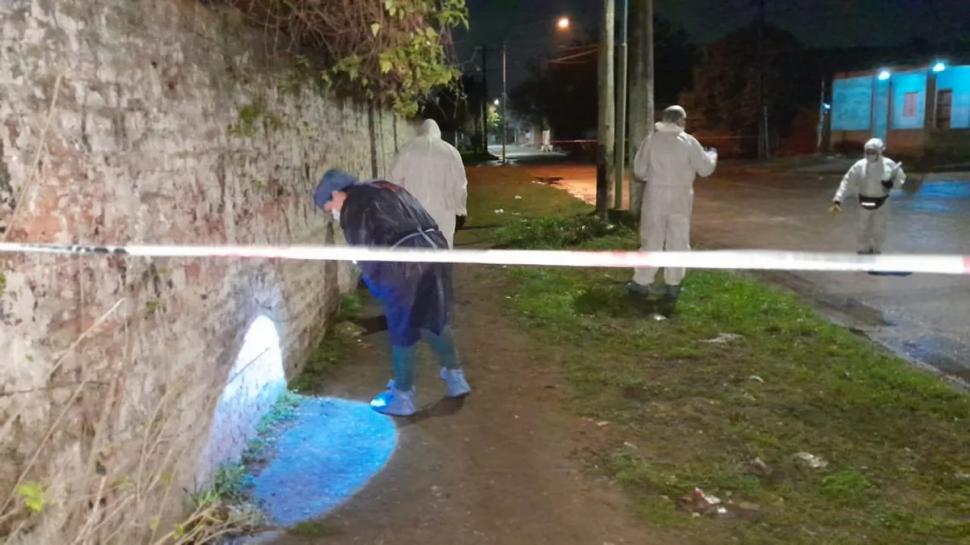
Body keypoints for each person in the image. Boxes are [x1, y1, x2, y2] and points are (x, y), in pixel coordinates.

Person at [313, 169, 471, 417]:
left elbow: (365, 252)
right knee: (434, 316)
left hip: (403, 262)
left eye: (329, 206)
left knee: (401, 325)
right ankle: (456, 378)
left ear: (335, 193)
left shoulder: (354, 206)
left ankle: (403, 396)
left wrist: (375, 281)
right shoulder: (385, 187)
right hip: (435, 249)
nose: (333, 213)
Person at [626, 105, 717, 300]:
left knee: (652, 237)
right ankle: (673, 283)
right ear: (680, 120)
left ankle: (641, 281)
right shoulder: (689, 142)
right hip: (681, 196)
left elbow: (640, 171)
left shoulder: (651, 140)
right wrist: (712, 156)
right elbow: (705, 169)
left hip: (655, 195)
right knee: (678, 239)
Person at [389, 119, 468, 248]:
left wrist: (397, 209)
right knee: (443, 246)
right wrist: (460, 210)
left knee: (416, 248)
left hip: (413, 212)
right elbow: (459, 186)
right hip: (443, 212)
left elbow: (393, 181)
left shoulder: (406, 149)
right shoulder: (451, 152)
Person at [829, 138, 905, 254]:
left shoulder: (889, 164)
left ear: (879, 152)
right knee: (861, 226)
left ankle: (877, 250)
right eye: (867, 152)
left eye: (872, 152)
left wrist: (892, 184)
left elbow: (900, 179)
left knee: (879, 228)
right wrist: (838, 199)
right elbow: (847, 182)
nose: (870, 154)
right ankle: (864, 249)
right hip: (863, 200)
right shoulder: (859, 166)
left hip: (882, 201)